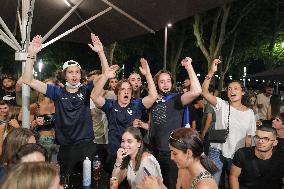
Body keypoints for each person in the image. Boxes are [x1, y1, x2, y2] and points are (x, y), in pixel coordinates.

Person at [22, 33, 107, 175]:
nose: (74, 75)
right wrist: (31, 55)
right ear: (64, 75)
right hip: (66, 147)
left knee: (88, 182)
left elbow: (106, 74)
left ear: (81, 75)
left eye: (77, 72)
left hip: (86, 144)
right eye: (70, 72)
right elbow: (28, 80)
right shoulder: (57, 92)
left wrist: (101, 52)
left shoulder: (86, 90)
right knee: (66, 182)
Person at [91, 58, 158, 173]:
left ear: (131, 93)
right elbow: (94, 96)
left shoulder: (136, 105)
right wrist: (105, 76)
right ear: (117, 92)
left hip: (133, 154)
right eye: (122, 89)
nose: (126, 92)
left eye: (128, 89)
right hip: (114, 153)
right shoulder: (110, 105)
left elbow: (153, 97)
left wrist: (148, 75)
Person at [202, 58, 256, 186]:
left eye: (236, 88)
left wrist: (248, 158)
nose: (232, 91)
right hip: (216, 151)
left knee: (234, 183)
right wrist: (211, 72)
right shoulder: (221, 104)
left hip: (237, 154)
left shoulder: (249, 113)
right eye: (229, 88)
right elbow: (204, 92)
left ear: (242, 92)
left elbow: (249, 139)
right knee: (213, 183)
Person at [150, 57, 202, 189]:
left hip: (173, 154)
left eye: (168, 81)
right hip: (155, 151)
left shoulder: (176, 99)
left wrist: (189, 67)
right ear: (156, 83)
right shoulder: (153, 100)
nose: (166, 84)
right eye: (162, 81)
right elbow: (157, 124)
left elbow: (196, 91)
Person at [138, 128, 218, 189]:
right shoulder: (183, 169)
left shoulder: (205, 185)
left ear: (189, 153)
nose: (171, 157)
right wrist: (161, 186)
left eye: (175, 153)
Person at [229, 125, 284, 189]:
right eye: (257, 137)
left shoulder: (281, 157)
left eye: (266, 139)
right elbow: (234, 176)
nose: (260, 141)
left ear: (275, 142)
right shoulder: (242, 153)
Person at [30, 78, 57, 160]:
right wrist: (35, 121)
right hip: (42, 140)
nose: (49, 89)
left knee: (56, 167)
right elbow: (28, 126)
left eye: (52, 86)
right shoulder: (35, 106)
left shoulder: (59, 103)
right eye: (47, 86)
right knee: (43, 166)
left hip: (58, 140)